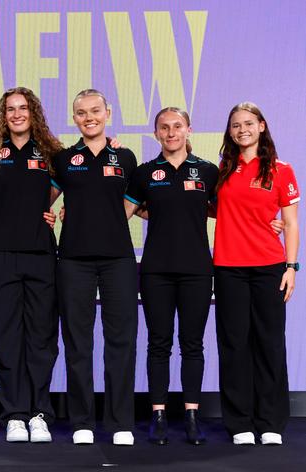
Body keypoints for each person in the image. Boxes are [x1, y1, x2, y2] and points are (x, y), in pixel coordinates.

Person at [124, 107, 218, 445]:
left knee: (193, 344)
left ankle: (191, 415)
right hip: (156, 271)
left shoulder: (208, 172)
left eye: (177, 126)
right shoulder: (145, 172)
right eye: (164, 128)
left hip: (196, 269)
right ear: (156, 134)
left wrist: (271, 223)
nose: (171, 132)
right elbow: (122, 213)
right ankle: (159, 415)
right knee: (158, 344)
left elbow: (231, 212)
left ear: (189, 130)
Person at [51, 89, 138, 446]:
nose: (89, 117)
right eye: (82, 113)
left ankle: (120, 422)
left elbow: (132, 203)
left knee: (121, 341)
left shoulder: (126, 156)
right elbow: (45, 198)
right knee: (78, 342)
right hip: (73, 259)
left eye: (95, 111)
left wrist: (107, 221)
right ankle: (82, 421)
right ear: (74, 118)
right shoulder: (64, 158)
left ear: (108, 113)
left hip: (118, 259)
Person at [213, 102, 299, 446]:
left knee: (269, 344)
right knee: (234, 345)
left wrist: (291, 267)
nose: (242, 130)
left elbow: (290, 222)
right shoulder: (223, 169)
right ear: (230, 132)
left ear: (262, 126)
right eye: (235, 125)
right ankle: (240, 424)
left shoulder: (280, 169)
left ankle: (271, 422)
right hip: (229, 267)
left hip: (269, 267)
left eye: (249, 123)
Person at [0, 87, 62, 442]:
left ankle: (39, 412)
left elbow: (77, 180)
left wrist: (51, 212)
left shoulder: (51, 151)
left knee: (42, 337)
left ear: (34, 112)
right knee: (6, 334)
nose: (17, 114)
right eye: (10, 109)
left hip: (41, 253)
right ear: (4, 114)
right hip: (2, 254)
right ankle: (14, 413)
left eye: (23, 108)